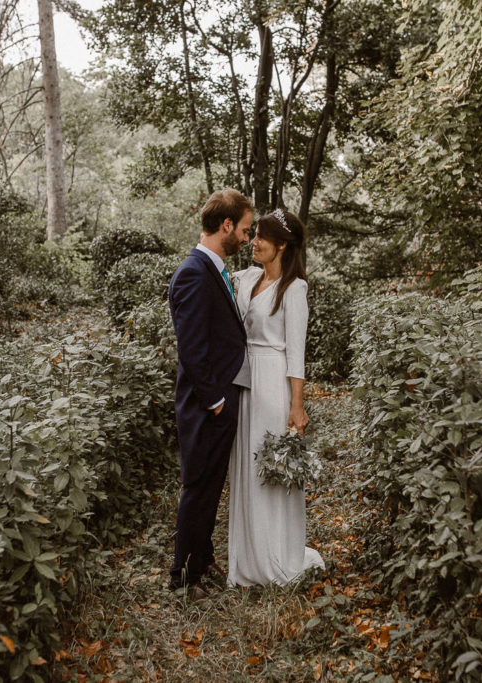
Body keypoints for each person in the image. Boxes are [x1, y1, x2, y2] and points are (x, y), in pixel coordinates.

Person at [227, 208, 325, 587]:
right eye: (253, 236)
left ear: (281, 244)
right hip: (244, 381)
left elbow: (296, 352)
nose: (254, 243)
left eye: (261, 237)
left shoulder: (294, 288)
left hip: (273, 385)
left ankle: (277, 558)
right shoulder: (248, 278)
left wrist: (296, 405)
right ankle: (248, 561)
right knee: (246, 471)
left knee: (270, 470)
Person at [167, 188, 253, 597]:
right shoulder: (193, 273)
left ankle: (202, 560)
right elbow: (192, 348)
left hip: (217, 401)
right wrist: (217, 402)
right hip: (206, 406)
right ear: (226, 225)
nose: (247, 238)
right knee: (198, 489)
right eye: (245, 229)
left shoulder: (213, 269)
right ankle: (183, 579)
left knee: (209, 487)